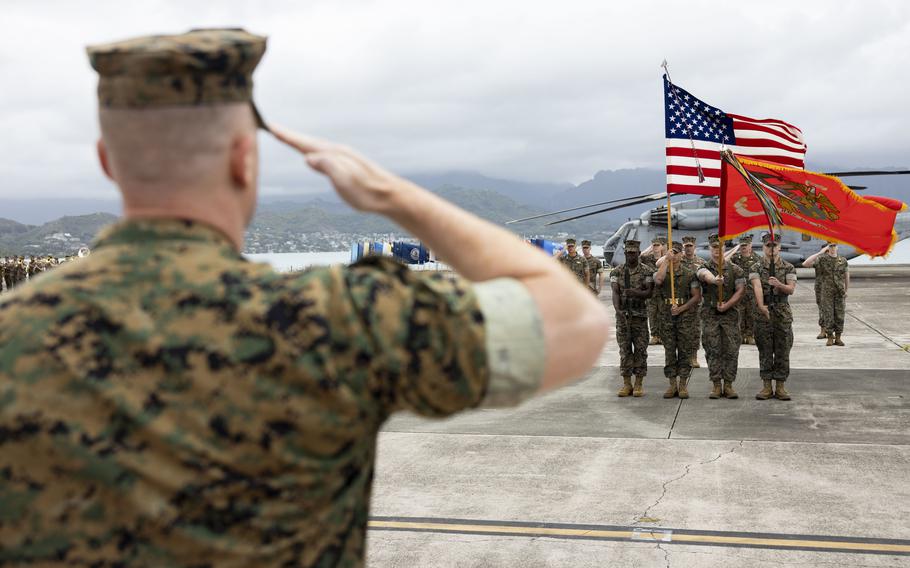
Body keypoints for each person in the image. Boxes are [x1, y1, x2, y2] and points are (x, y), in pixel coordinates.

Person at [0, 29, 609, 567]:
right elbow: (575, 322)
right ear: (245, 160)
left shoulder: (12, 331)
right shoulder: (337, 316)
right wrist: (396, 197)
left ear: (107, 162)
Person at [696, 234, 746, 399]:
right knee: (712, 349)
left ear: (725, 249)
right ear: (710, 249)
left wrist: (727, 305)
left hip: (730, 316)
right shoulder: (703, 267)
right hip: (710, 315)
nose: (717, 251)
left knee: (731, 350)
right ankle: (716, 384)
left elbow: (740, 290)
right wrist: (713, 280)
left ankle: (729, 385)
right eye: (714, 248)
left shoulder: (735, 269)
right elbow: (703, 274)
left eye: (720, 247)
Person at [750, 232, 798, 400]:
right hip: (763, 312)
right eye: (768, 245)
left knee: (783, 349)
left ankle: (780, 386)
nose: (771, 249)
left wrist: (779, 284)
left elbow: (791, 289)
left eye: (774, 245)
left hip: (782, 312)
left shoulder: (788, 267)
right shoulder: (756, 267)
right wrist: (762, 306)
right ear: (763, 247)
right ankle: (766, 386)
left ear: (779, 247)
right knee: (764, 349)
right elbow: (756, 286)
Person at [653, 241, 702, 399]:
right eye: (670, 252)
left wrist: (681, 309)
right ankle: (672, 384)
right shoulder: (663, 270)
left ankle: (682, 385)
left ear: (681, 254)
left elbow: (696, 297)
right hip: (666, 316)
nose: (673, 254)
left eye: (676, 252)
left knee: (684, 351)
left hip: (684, 316)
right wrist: (666, 260)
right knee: (669, 351)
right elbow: (658, 280)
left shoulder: (689, 274)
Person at [610, 239, 653, 397]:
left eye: (633, 253)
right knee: (625, 350)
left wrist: (635, 293)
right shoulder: (617, 271)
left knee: (640, 351)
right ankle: (627, 383)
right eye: (628, 253)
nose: (630, 256)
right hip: (623, 317)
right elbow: (615, 292)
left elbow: (649, 292)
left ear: (639, 253)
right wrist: (617, 309)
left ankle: (639, 383)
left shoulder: (646, 271)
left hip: (640, 317)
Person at [803, 242, 849, 346]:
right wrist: (820, 252)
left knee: (840, 315)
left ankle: (838, 337)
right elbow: (806, 264)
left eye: (834, 245)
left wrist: (846, 290)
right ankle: (828, 335)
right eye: (830, 246)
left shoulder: (843, 260)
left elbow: (846, 275)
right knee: (827, 314)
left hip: (839, 292)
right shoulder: (822, 259)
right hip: (826, 291)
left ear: (837, 247)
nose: (832, 248)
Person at [725, 233, 757, 345]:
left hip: (752, 293)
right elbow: (723, 260)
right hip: (738, 292)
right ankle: (740, 335)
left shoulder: (757, 258)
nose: (744, 248)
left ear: (750, 245)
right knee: (739, 314)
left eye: (746, 245)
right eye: (742, 245)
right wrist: (735, 250)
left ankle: (749, 335)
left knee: (752, 314)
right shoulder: (735, 258)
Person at [681, 235, 705, 368]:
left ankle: (693, 357)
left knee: (695, 330)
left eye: (690, 246)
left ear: (694, 247)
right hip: (682, 301)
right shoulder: (678, 261)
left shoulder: (701, 262)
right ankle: (684, 357)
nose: (688, 249)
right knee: (682, 331)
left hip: (696, 302)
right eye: (686, 246)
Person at [640, 236, 666, 345]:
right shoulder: (648, 259)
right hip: (651, 292)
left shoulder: (665, 259)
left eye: (657, 245)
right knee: (652, 314)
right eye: (654, 245)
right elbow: (641, 255)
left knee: (663, 314)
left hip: (663, 292)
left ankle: (663, 336)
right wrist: (651, 247)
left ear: (662, 247)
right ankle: (655, 335)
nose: (655, 247)